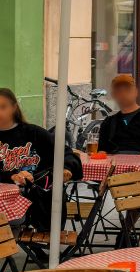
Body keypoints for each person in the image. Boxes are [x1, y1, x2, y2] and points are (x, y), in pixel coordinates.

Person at [0, 88, 82, 241]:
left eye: (3, 107)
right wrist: (11, 175)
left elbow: (66, 153)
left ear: (14, 107)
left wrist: (67, 168)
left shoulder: (34, 133)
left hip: (34, 200)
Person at [98, 74, 140, 155]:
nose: (123, 94)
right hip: (113, 165)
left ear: (136, 92)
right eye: (119, 91)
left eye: (127, 90)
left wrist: (137, 162)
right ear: (113, 95)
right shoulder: (108, 122)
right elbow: (102, 150)